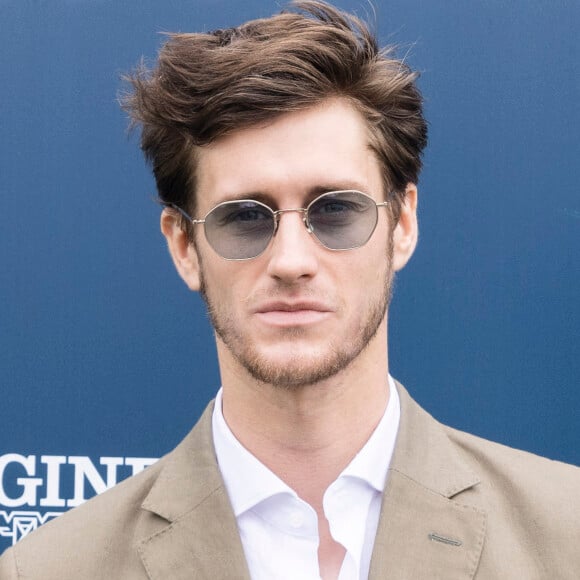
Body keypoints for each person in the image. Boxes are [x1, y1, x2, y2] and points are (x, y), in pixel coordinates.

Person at [1, 1, 578, 578]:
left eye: (336, 211)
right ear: (183, 246)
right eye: (245, 219)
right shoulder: (50, 569)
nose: (292, 261)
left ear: (402, 224)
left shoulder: (566, 534)